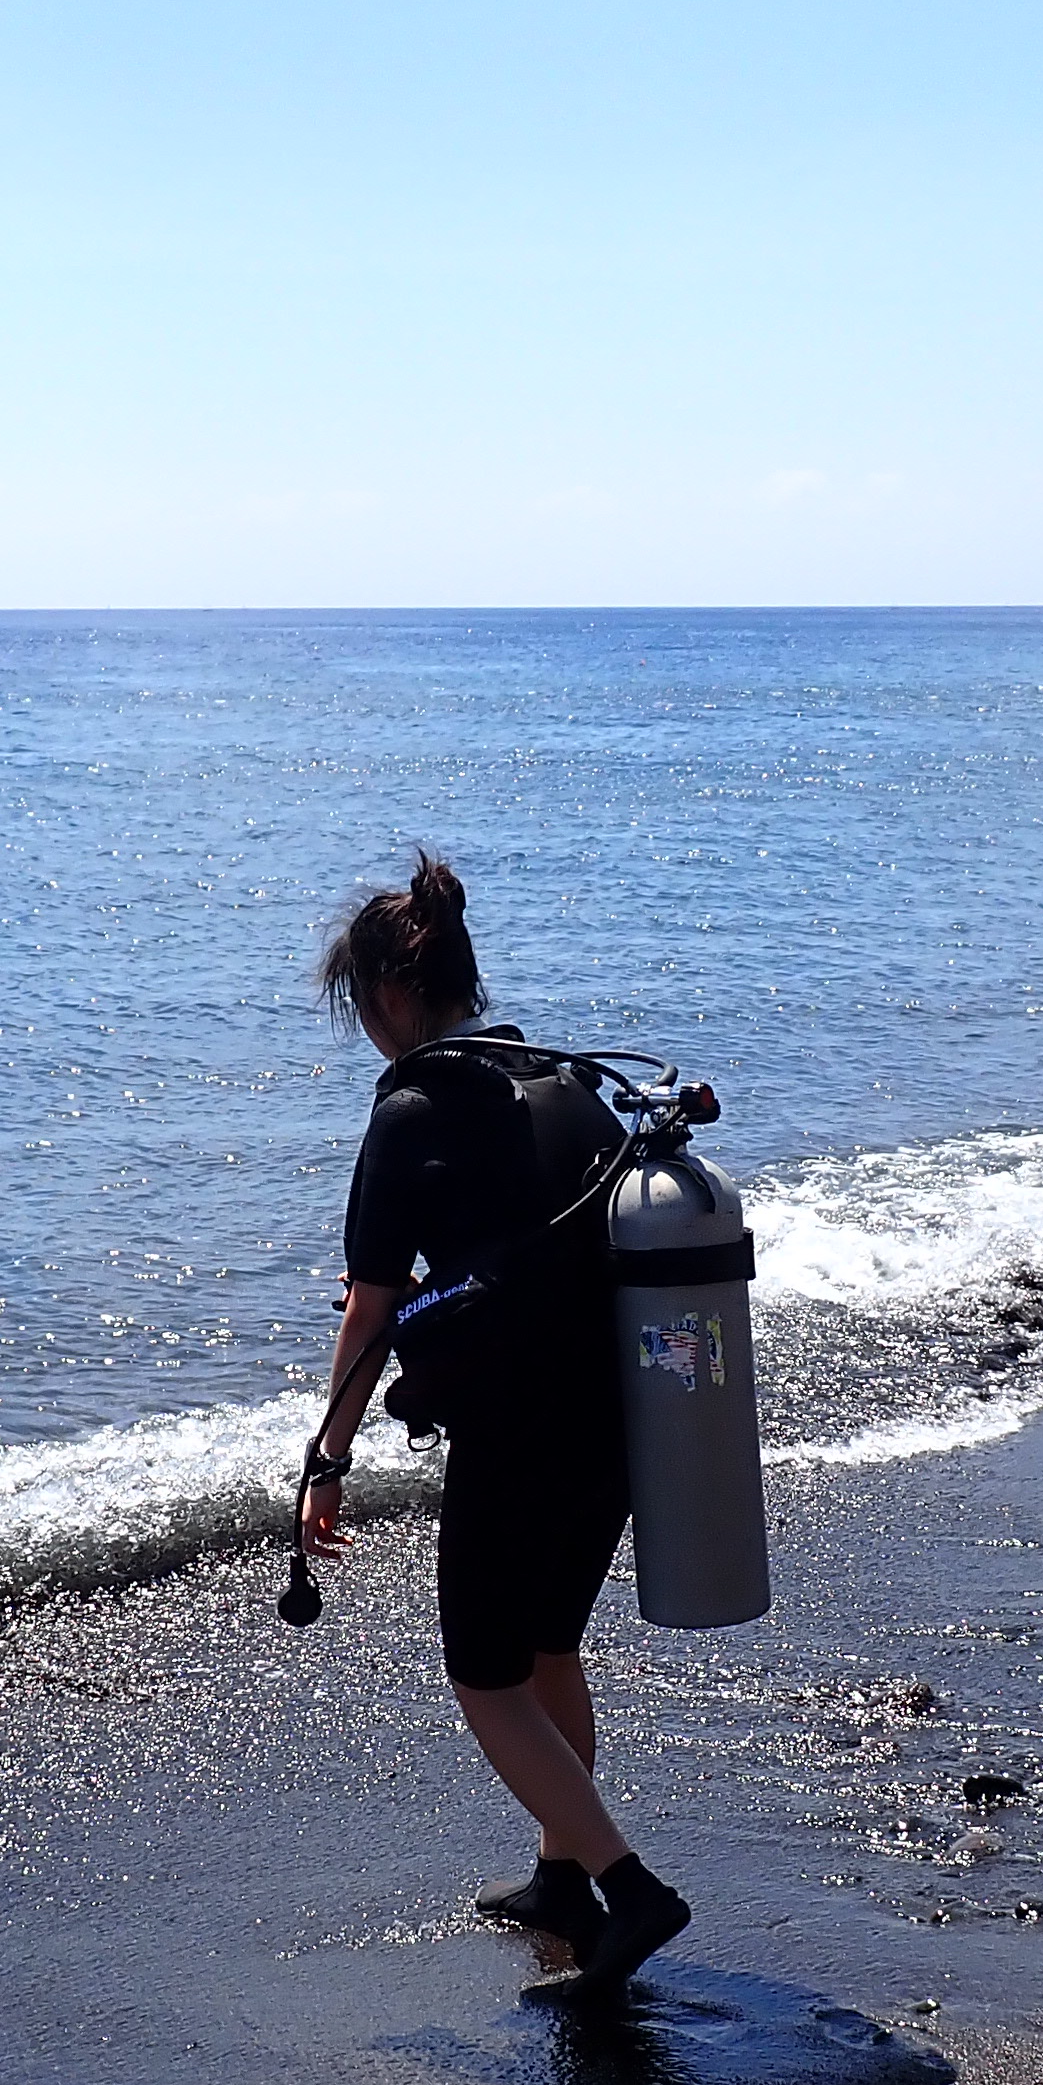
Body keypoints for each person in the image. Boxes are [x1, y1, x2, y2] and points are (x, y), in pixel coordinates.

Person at [298, 851, 694, 2000]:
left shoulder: (413, 1111)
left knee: (483, 1676)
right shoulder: (559, 1077)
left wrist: (327, 1460)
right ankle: (561, 1876)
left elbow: (369, 1309)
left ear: (382, 998)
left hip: (518, 1437)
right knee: (546, 1651)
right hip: (618, 1417)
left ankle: (630, 1887)